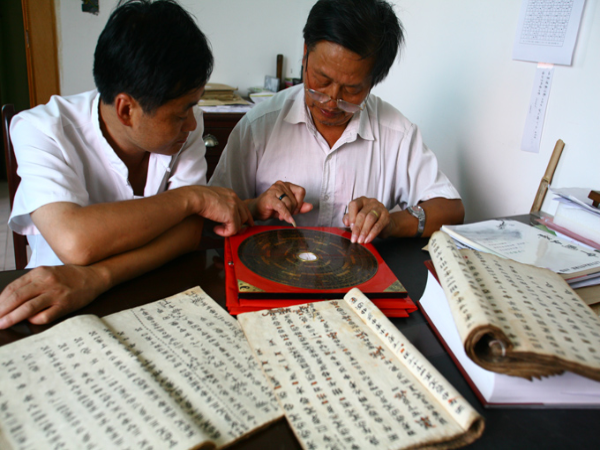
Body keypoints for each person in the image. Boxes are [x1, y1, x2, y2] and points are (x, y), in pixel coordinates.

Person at [0, 0, 252, 330]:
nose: (192, 124)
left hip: (156, 292)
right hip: (57, 303)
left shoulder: (185, 128)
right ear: (125, 110)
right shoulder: (42, 128)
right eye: (180, 114)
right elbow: (76, 241)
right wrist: (191, 198)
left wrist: (97, 276)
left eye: (192, 107)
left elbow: (188, 234)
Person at [209, 0, 464, 245]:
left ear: (374, 81)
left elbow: (452, 210)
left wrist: (391, 223)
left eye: (352, 90)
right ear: (305, 54)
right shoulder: (258, 127)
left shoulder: (396, 134)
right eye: (321, 80)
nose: (331, 101)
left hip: (359, 276)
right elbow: (211, 216)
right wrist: (255, 207)